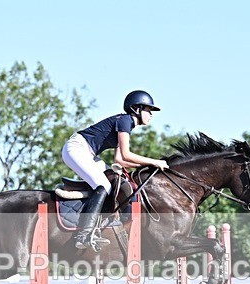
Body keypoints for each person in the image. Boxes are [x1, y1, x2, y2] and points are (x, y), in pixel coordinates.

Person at [61, 90, 169, 250]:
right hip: (76, 148)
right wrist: (155, 162)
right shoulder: (125, 120)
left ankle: (99, 225)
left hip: (87, 152)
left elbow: (119, 159)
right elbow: (126, 154)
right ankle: (84, 235)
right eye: (148, 110)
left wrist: (148, 166)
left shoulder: (125, 123)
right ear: (136, 109)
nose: (151, 114)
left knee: (112, 183)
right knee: (103, 185)